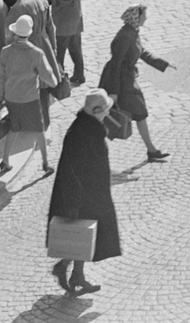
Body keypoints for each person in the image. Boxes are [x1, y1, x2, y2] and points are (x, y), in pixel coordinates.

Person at [48, 91, 122, 297]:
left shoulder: (88, 126)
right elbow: (73, 169)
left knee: (87, 234)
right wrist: (73, 201)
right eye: (105, 109)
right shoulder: (83, 132)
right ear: (96, 111)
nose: (107, 112)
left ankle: (75, 274)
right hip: (82, 194)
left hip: (89, 191)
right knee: (84, 232)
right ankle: (66, 268)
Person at [99, 5, 171, 161]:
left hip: (128, 79)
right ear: (136, 18)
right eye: (144, 15)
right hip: (122, 82)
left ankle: (151, 150)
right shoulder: (125, 36)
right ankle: (95, 151)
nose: (146, 18)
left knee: (139, 114)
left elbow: (142, 52)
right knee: (112, 116)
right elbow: (116, 64)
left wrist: (163, 64)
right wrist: (114, 92)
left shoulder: (132, 32)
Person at [0, 15, 58, 174]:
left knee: (14, 128)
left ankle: (5, 160)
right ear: (29, 34)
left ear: (15, 34)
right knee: (39, 130)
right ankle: (45, 163)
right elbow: (47, 75)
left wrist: (0, 96)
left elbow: (1, 76)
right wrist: (54, 83)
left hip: (11, 98)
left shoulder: (5, 51)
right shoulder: (36, 53)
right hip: (30, 98)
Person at [7, 0, 63, 126]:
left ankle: (35, 124)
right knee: (44, 86)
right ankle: (45, 121)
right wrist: (53, 48)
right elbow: (51, 27)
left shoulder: (18, 7)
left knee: (31, 87)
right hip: (44, 44)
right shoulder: (41, 0)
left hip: (28, 47)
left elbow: (10, 35)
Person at [50, 0, 85, 86]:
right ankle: (79, 75)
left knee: (60, 51)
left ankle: (60, 79)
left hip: (65, 19)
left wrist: (54, 4)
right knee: (75, 49)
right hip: (74, 17)